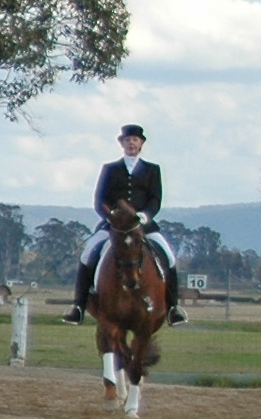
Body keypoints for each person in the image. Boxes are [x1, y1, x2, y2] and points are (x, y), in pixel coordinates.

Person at [62, 124, 188, 326]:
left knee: (169, 257)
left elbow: (155, 199)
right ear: (122, 144)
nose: (131, 143)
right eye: (127, 140)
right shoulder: (110, 169)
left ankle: (173, 307)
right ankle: (78, 306)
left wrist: (145, 216)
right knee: (87, 255)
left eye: (135, 140)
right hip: (114, 225)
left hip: (143, 225)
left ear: (141, 143)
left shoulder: (152, 170)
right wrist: (111, 216)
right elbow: (99, 199)